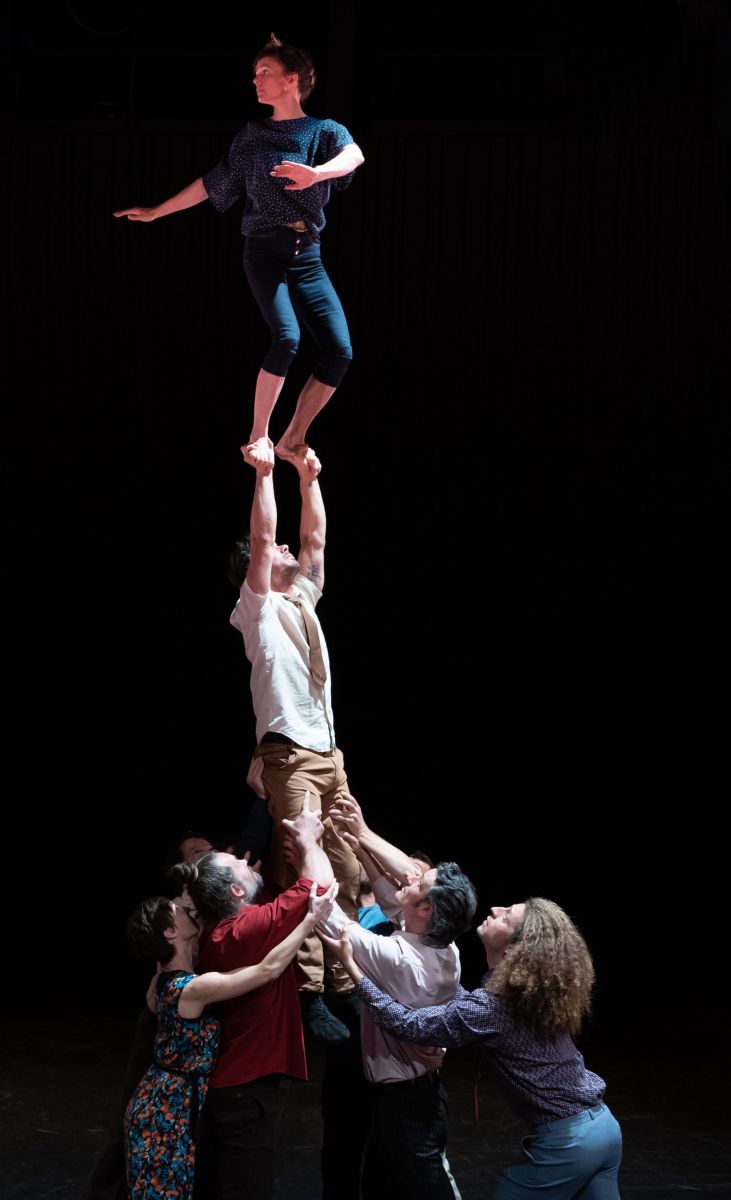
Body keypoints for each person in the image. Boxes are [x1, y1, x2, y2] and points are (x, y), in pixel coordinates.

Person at [113, 32, 364, 469]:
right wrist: (157, 212)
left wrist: (315, 174)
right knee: (287, 336)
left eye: (265, 73)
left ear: (293, 79)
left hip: (308, 253)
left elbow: (355, 156)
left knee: (339, 351)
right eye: (254, 75)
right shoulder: (253, 136)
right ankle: (258, 436)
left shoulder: (323, 131)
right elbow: (213, 184)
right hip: (265, 250)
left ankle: (292, 439)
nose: (256, 81)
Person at [327, 898, 623, 1200]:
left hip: (569, 1142)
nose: (495, 909)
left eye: (506, 916)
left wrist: (353, 967)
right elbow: (466, 1007)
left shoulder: (495, 1007)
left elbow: (410, 1025)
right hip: (604, 1128)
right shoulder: (522, 996)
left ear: (510, 948)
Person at [227, 442, 361, 1041]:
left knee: (348, 869)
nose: (284, 552)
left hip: (328, 755)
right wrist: (263, 474)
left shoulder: (301, 598)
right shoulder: (255, 609)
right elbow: (265, 540)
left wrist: (308, 479)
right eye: (271, 554)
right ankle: (308, 992)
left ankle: (350, 981)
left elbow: (314, 544)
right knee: (306, 872)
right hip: (289, 754)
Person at [298, 791, 477, 1200]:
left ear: (427, 909)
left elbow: (327, 915)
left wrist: (310, 845)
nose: (410, 876)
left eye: (421, 883)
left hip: (406, 1104)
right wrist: (360, 839)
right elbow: (390, 890)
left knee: (430, 1190)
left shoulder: (401, 958)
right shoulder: (441, 944)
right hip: (411, 1093)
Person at [124, 860, 337, 1200]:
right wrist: (308, 919)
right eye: (177, 910)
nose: (185, 909)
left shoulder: (170, 979)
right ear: (169, 931)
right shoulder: (190, 988)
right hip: (168, 1106)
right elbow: (267, 969)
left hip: (179, 1101)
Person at [187, 793, 337, 1200]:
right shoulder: (244, 928)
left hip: (234, 1087)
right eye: (237, 863)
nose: (245, 859)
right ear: (236, 889)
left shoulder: (220, 932)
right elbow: (322, 888)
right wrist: (309, 840)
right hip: (246, 1091)